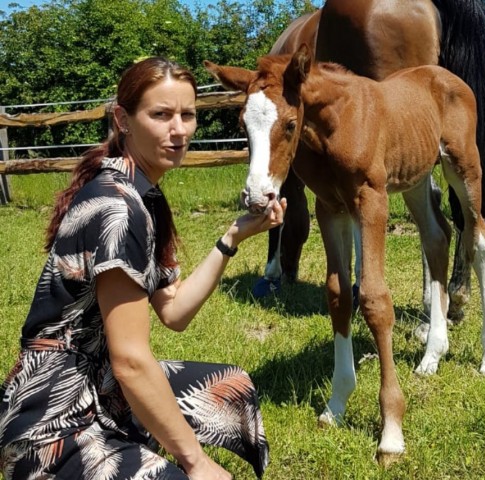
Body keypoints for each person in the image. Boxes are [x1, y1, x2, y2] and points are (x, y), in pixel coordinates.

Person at [0, 56, 286, 479]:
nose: (179, 130)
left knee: (232, 387)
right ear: (124, 119)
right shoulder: (119, 209)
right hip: (51, 415)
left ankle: (141, 441)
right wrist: (195, 461)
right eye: (161, 115)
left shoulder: (144, 196)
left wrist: (233, 237)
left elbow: (173, 311)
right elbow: (131, 360)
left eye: (187, 115)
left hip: (101, 382)